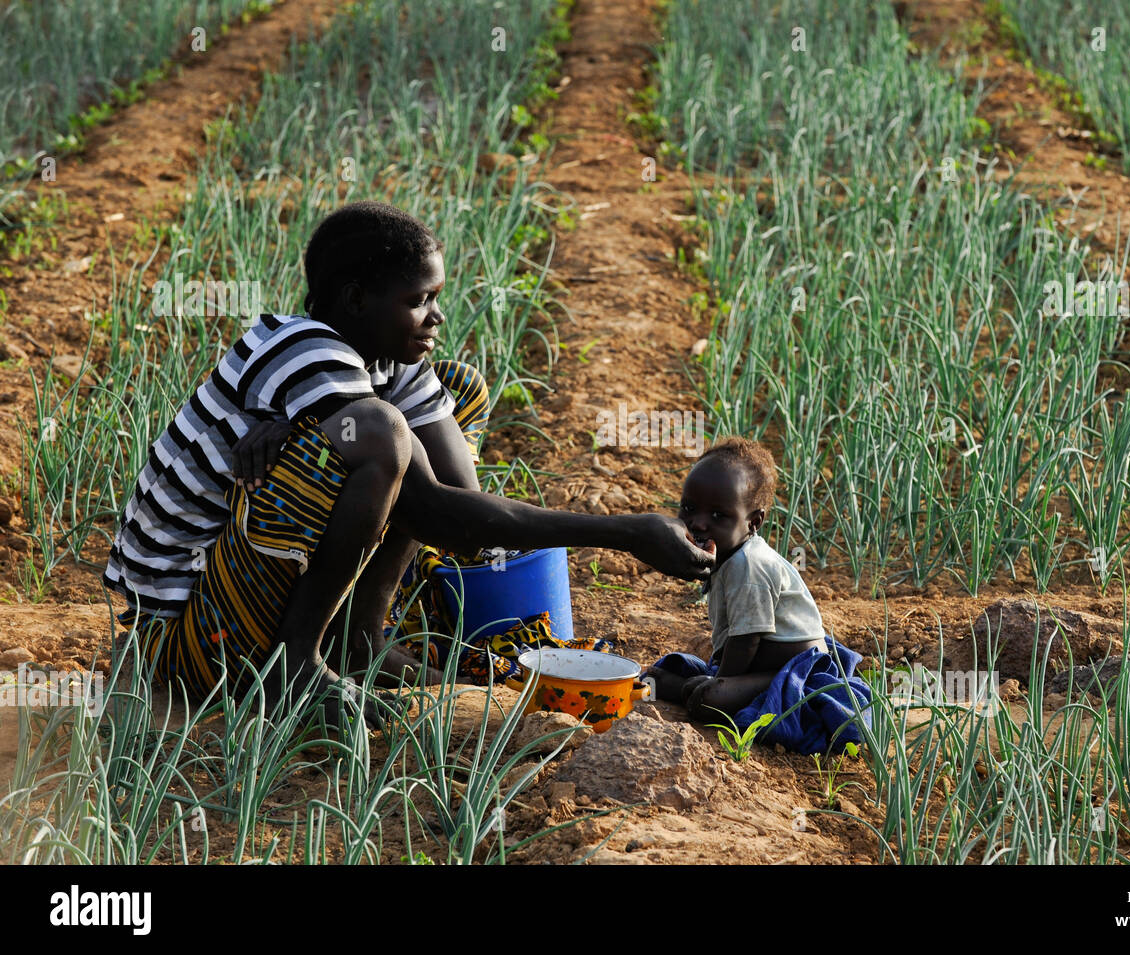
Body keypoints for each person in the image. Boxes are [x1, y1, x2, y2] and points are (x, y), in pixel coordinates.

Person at [103, 201, 713, 727]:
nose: (436, 317)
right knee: (385, 434)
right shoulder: (301, 347)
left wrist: (347, 432)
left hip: (239, 594)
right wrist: (625, 531)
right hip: (186, 632)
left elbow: (460, 497)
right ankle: (296, 662)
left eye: (436, 299)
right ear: (355, 300)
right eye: (419, 301)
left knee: (444, 399)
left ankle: (360, 638)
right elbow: (443, 517)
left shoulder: (387, 359)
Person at [641, 437, 826, 720]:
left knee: (710, 698)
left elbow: (746, 639)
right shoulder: (727, 554)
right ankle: (692, 688)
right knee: (683, 681)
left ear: (753, 522)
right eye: (689, 509)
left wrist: (721, 681)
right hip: (757, 667)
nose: (699, 523)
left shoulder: (748, 565)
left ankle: (692, 690)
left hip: (793, 670)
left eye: (718, 515)